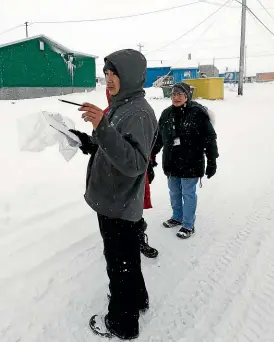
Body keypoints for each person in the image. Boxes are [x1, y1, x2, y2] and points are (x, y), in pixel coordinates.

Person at [72, 49, 158, 340]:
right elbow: (112, 144)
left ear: (130, 76)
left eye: (115, 75)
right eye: (107, 74)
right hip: (113, 199)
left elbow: (135, 164)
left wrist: (102, 127)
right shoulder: (122, 105)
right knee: (128, 259)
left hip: (119, 203)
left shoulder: (139, 113)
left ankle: (122, 323)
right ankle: (139, 300)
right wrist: (90, 139)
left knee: (119, 263)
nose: (108, 80)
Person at [70, 88, 158, 259]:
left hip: (132, 174)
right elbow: (101, 145)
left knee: (133, 210)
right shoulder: (107, 113)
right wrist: (84, 140)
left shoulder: (137, 113)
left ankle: (138, 239)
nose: (111, 92)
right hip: (111, 178)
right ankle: (124, 246)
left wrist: (151, 162)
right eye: (108, 91)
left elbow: (142, 148)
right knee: (119, 222)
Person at [150, 82, 218, 239]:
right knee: (174, 191)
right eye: (173, 94)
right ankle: (177, 217)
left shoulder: (197, 113)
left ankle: (188, 225)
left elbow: (210, 138)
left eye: (180, 94)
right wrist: (152, 154)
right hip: (171, 161)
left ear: (187, 96)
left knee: (188, 193)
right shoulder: (166, 114)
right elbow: (159, 137)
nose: (176, 97)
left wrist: (212, 160)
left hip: (191, 161)